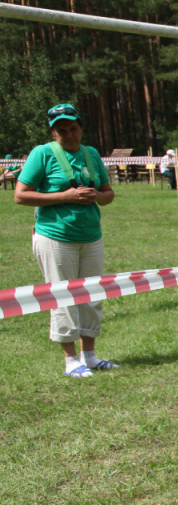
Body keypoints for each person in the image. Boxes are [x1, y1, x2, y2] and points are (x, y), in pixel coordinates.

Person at [14, 103, 121, 377]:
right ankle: (71, 360)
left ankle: (91, 355)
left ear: (81, 127)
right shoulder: (42, 154)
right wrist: (65, 196)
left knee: (92, 295)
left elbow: (108, 194)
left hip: (91, 236)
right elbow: (21, 195)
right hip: (55, 237)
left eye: (73, 128)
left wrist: (97, 196)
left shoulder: (92, 154)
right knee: (63, 296)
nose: (69, 134)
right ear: (53, 133)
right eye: (62, 131)